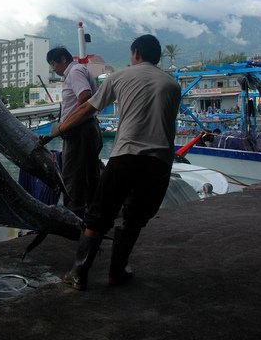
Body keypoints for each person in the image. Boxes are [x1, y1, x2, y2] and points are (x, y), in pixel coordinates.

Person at [48, 34, 181, 291]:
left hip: (124, 156)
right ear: (157, 57)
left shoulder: (119, 77)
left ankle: (78, 272)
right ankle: (116, 271)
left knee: (99, 214)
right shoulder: (172, 84)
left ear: (136, 54)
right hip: (159, 160)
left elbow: (88, 107)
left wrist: (61, 127)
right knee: (134, 217)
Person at [45, 47, 103, 218]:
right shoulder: (79, 70)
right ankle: (93, 217)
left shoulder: (75, 71)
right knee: (89, 175)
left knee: (72, 176)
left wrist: (70, 122)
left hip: (80, 131)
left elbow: (84, 95)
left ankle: (73, 219)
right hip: (86, 129)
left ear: (63, 59)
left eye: (53, 64)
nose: (53, 69)